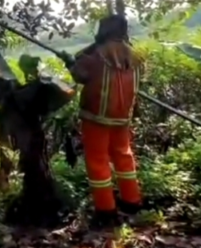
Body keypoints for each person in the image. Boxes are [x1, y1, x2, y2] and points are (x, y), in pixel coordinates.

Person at [60, 14, 144, 228]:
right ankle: (132, 201)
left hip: (96, 116)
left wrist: (69, 62)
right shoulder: (135, 55)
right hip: (122, 117)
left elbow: (80, 74)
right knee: (124, 157)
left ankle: (106, 210)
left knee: (97, 161)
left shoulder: (97, 54)